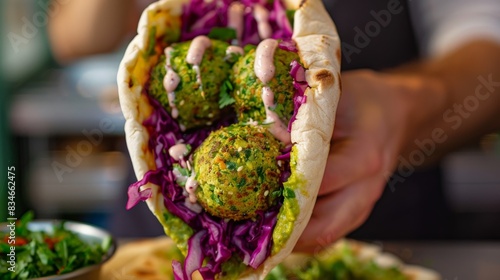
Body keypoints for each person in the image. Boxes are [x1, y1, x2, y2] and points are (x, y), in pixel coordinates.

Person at [48, 0, 500, 249]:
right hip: (166, 235)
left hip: (385, 231)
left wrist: (407, 105)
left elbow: (488, 48)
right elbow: (74, 39)